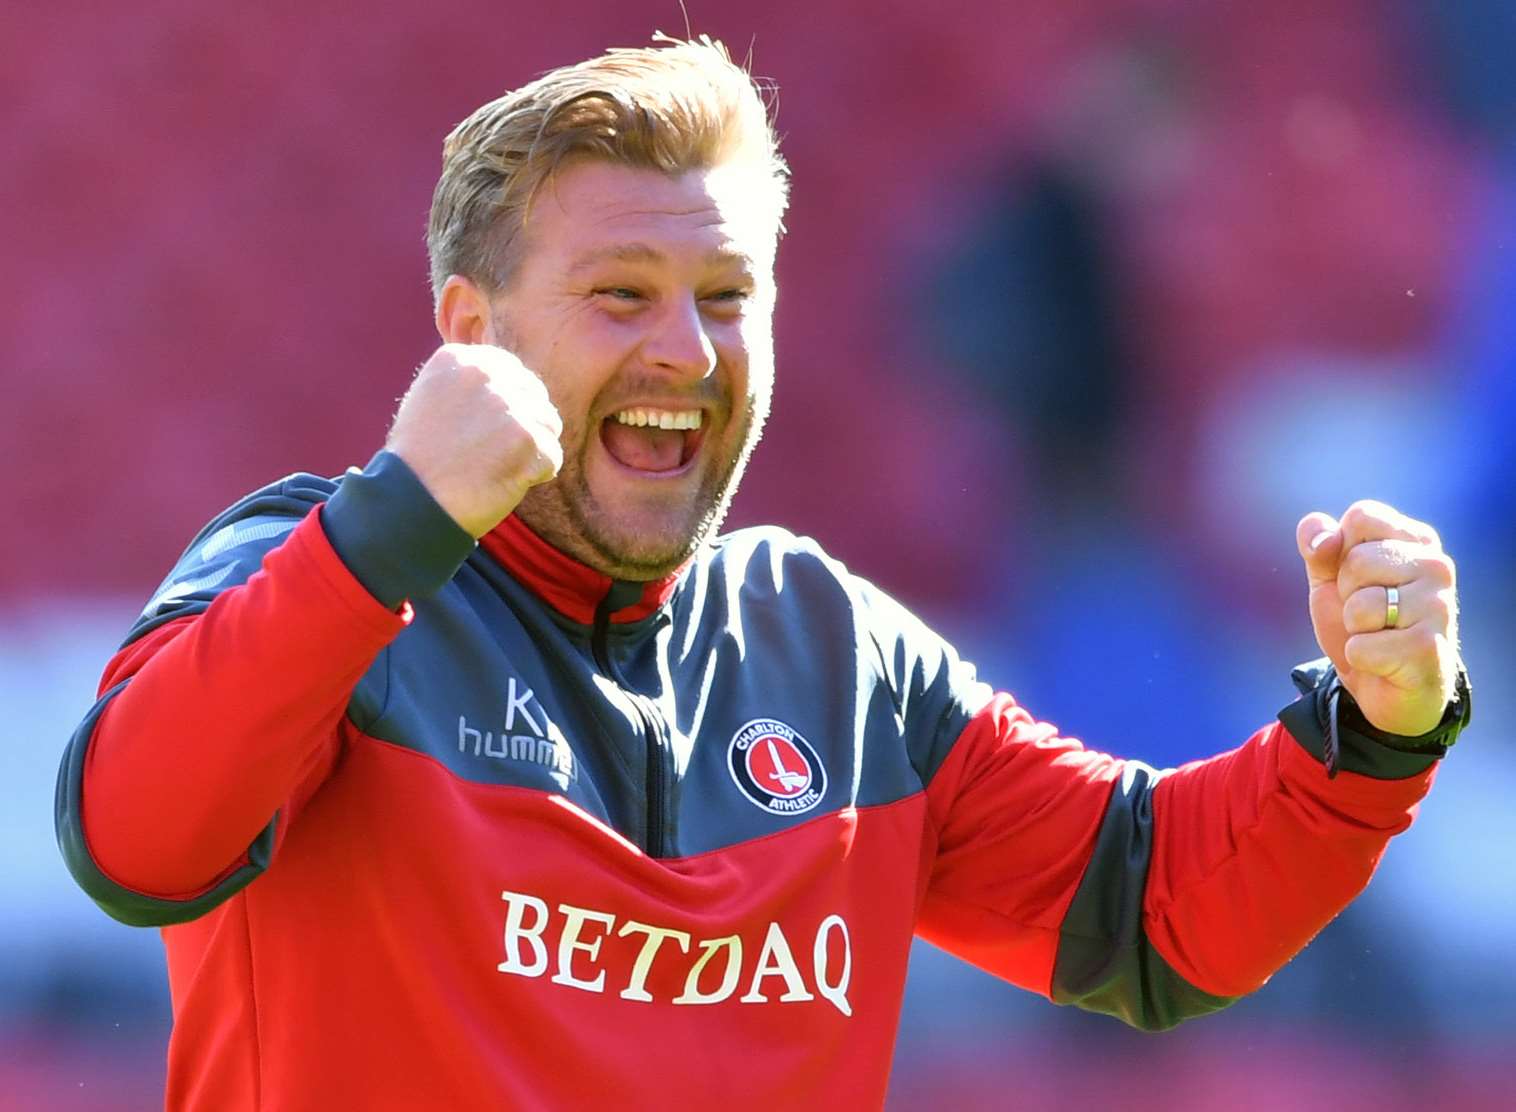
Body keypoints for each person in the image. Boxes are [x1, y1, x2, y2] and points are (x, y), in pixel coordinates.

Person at [56, 36, 1470, 1111]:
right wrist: (393, 526)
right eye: (621, 296)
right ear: (469, 331)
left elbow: (1154, 915)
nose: (686, 350)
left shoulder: (831, 652)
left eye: (728, 299)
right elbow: (132, 841)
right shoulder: (320, 578)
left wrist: (1377, 729)